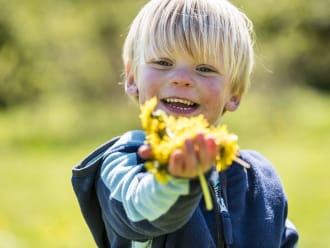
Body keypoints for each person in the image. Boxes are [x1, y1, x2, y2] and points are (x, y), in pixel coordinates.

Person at [72, 0, 299, 247]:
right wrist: (173, 179)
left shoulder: (260, 180)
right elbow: (139, 211)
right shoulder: (127, 161)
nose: (181, 79)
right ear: (132, 77)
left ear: (234, 93)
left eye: (204, 68)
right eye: (163, 63)